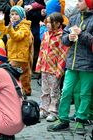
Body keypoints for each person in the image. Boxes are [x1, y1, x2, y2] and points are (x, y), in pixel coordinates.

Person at [47, 0, 93, 135]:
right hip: (72, 63)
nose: (77, 3)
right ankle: (63, 119)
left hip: (88, 64)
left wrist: (81, 34)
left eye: (80, 1)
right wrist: (70, 37)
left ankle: (81, 119)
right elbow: (64, 39)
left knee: (85, 93)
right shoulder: (74, 18)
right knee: (66, 91)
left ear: (89, 3)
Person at [35, 12, 68, 122]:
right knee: (44, 90)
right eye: (47, 22)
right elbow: (42, 50)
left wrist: (60, 69)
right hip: (45, 67)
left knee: (54, 91)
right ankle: (44, 109)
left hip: (54, 69)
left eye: (51, 22)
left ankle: (53, 111)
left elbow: (63, 54)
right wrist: (39, 65)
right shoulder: (46, 34)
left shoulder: (61, 36)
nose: (48, 24)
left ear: (58, 24)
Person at [0, 5, 34, 96]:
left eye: (16, 14)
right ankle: (25, 90)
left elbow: (17, 36)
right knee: (23, 74)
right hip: (13, 54)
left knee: (17, 74)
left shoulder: (24, 27)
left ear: (22, 16)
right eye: (12, 14)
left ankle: (22, 90)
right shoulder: (14, 25)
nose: (14, 16)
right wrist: (1, 21)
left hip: (20, 56)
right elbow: (3, 31)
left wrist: (10, 29)